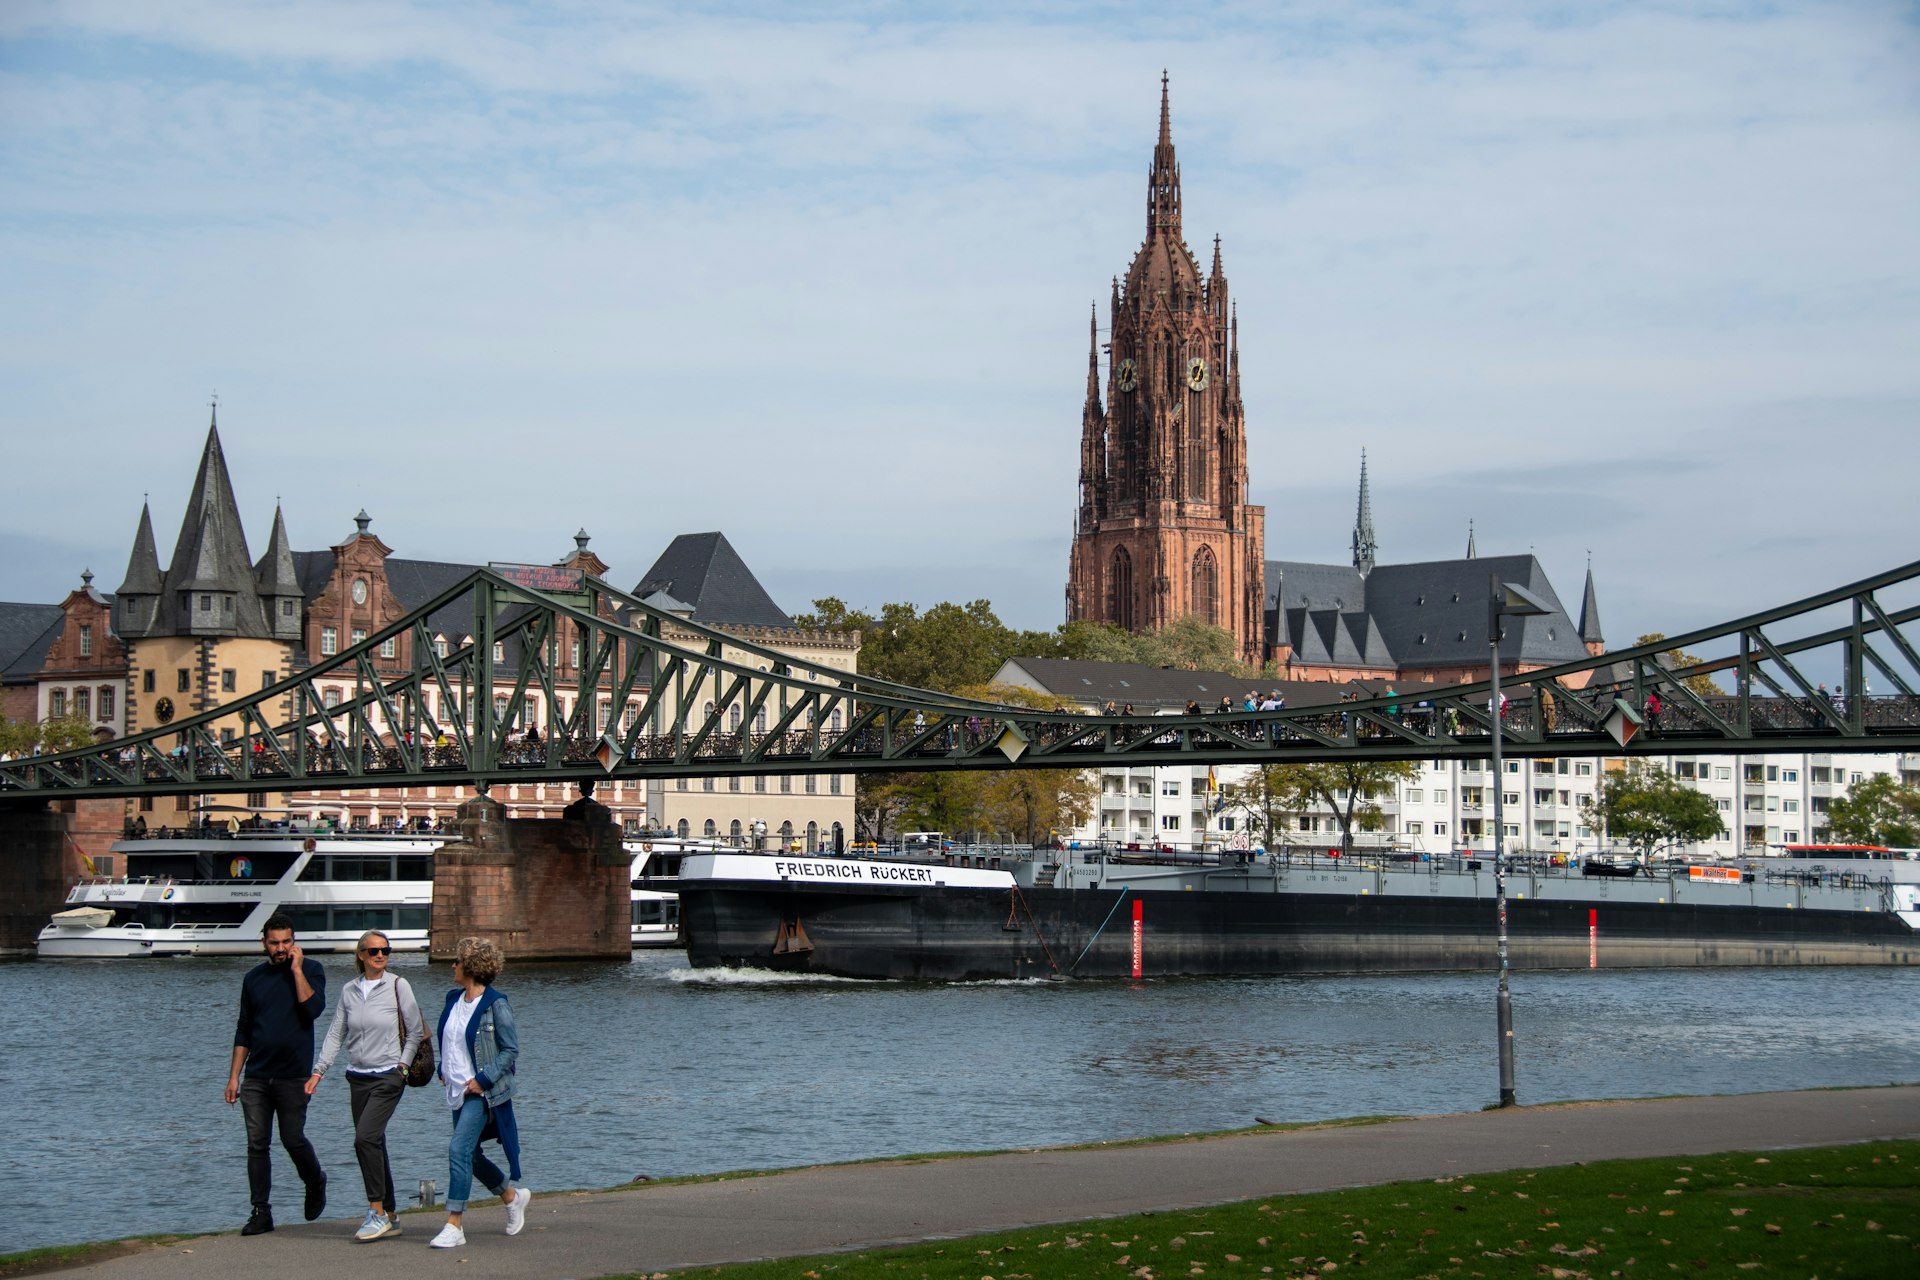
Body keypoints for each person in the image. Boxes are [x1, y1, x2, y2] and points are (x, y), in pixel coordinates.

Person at [306, 930, 425, 1242]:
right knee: (374, 1143)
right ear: (360, 955)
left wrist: (402, 1066)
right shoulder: (349, 990)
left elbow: (414, 1031)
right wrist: (319, 1071)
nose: (380, 956)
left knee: (364, 1139)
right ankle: (392, 1214)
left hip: (389, 1076)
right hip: (357, 1077)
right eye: (373, 951)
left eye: (385, 950)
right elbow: (336, 1033)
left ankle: (376, 1212)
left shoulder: (399, 985)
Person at [225, 912, 328, 1236]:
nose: (281, 948)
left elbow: (313, 1010)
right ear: (264, 944)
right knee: (257, 1144)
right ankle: (260, 1212)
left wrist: (297, 970)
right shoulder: (253, 979)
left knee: (292, 1138)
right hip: (257, 1077)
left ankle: (315, 1181)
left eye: (286, 942)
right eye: (275, 943)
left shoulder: (311, 970)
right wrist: (234, 1077)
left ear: (294, 942)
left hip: (294, 1076)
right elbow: (244, 1030)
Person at [431, 936, 530, 1249]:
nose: (453, 966)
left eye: (457, 962)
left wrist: (484, 1079)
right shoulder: (452, 999)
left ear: (470, 968)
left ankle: (454, 1224)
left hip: (482, 1094)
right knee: (471, 1156)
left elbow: (510, 1050)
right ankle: (512, 1197)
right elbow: (450, 1044)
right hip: (457, 1091)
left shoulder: (496, 1004)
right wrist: (442, 1069)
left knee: (458, 1150)